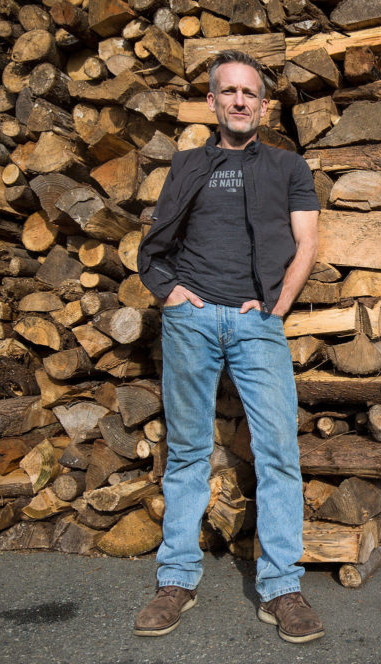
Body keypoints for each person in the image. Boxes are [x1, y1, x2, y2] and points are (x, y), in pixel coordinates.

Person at [134, 50, 323, 643]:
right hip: (191, 320)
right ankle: (176, 580)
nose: (240, 101)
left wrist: (277, 306)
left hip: (257, 322)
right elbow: (158, 240)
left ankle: (281, 588)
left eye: (250, 93)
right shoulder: (187, 163)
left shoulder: (289, 167)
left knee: (277, 452)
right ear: (213, 102)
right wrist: (171, 295)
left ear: (263, 105)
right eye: (229, 92)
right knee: (188, 450)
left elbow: (307, 242)